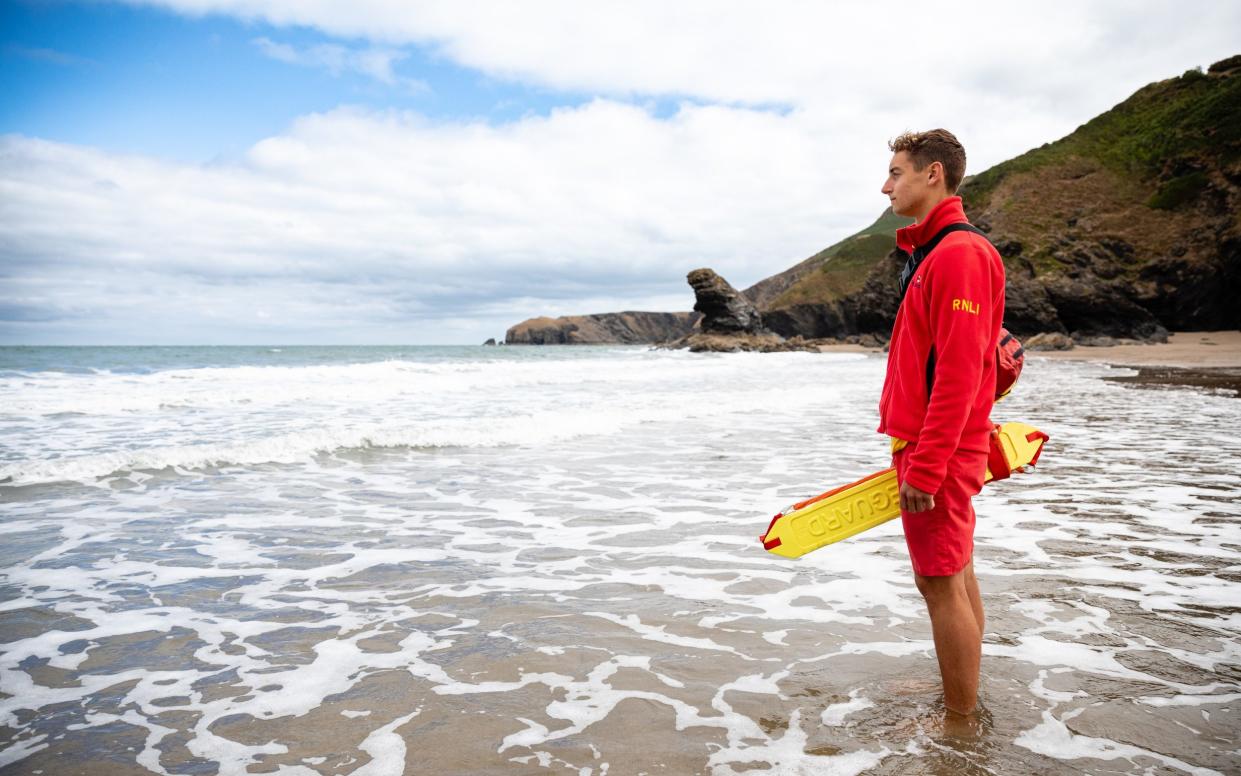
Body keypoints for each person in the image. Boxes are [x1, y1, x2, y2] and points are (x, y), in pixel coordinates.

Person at [877, 129, 1005, 719]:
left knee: (940, 584)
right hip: (933, 443)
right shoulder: (933, 253)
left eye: (896, 172)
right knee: (956, 572)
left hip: (940, 448)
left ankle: (959, 725)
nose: (886, 185)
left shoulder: (959, 254)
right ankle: (964, 698)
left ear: (933, 174)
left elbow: (958, 371)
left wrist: (926, 466)